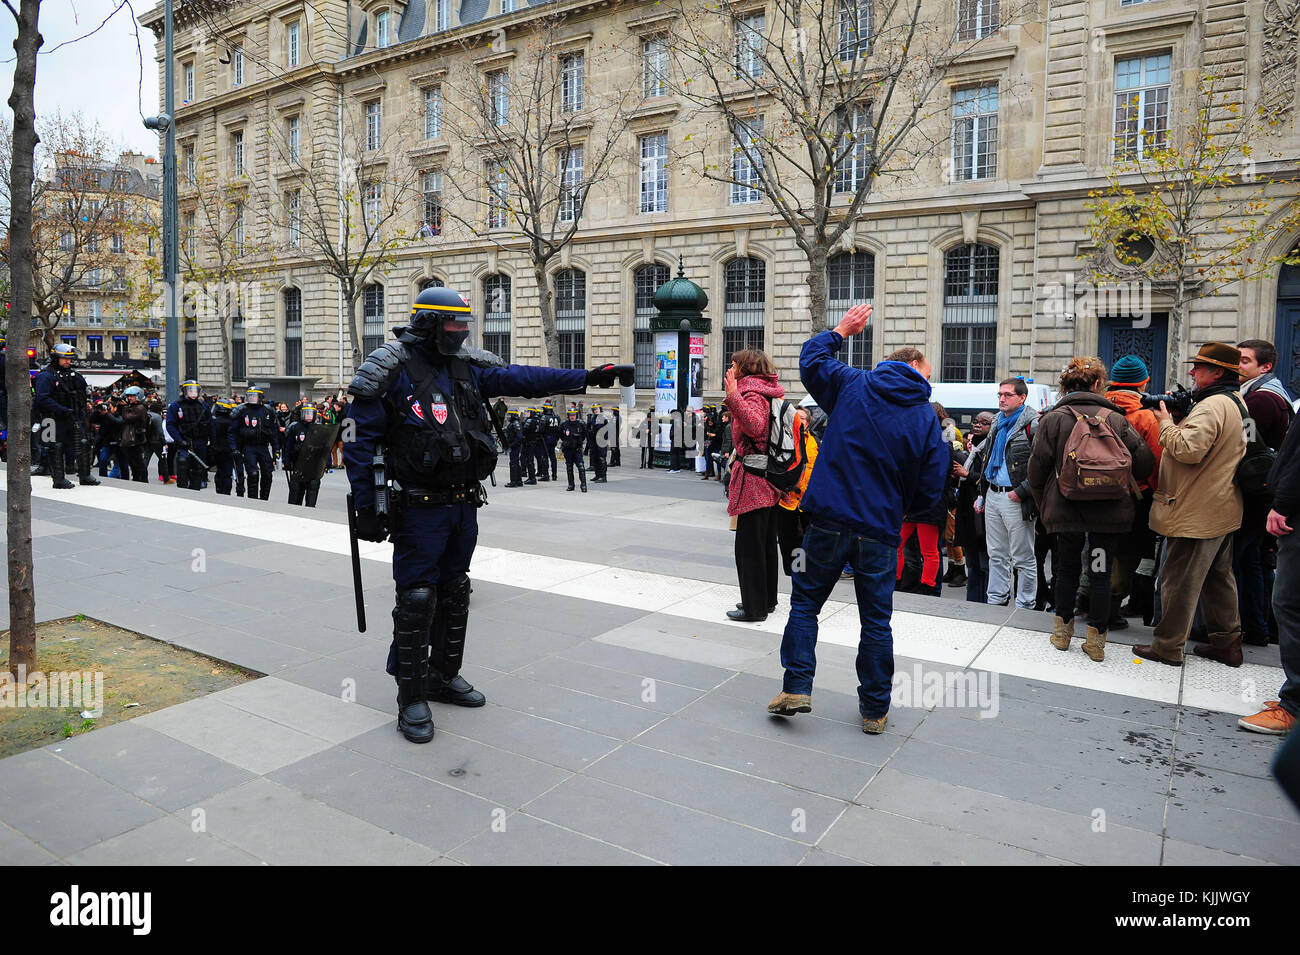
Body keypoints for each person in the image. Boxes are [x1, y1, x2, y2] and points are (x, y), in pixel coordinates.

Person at [343, 284, 624, 743]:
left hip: (463, 501)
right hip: (417, 505)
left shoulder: (467, 368)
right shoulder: (389, 367)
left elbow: (524, 378)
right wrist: (366, 504)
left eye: (464, 324)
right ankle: (410, 696)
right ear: (430, 322)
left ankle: (441, 675)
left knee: (455, 590)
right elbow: (356, 440)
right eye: (454, 324)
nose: (461, 332)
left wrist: (589, 376)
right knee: (416, 597)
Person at [770, 306, 948, 735]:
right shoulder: (926, 417)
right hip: (881, 529)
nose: (928, 382)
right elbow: (933, 482)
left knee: (805, 604)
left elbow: (812, 361)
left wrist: (841, 331)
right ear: (914, 368)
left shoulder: (853, 385)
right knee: (875, 620)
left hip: (828, 519)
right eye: (926, 374)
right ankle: (873, 710)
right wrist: (904, 509)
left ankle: (796, 686)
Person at [1028, 356, 1155, 662]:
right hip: (1108, 513)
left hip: (1067, 509)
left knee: (1067, 568)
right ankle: (1096, 642)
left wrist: (1043, 506)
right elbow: (1145, 463)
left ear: (1064, 386)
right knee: (1100, 570)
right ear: (1099, 384)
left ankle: (1062, 634)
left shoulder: (1053, 419)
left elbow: (1036, 470)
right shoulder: (1116, 419)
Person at [1134, 342, 1247, 667]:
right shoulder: (1232, 401)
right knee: (1218, 577)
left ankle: (1168, 647)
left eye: (1199, 367)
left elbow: (1188, 450)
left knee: (1178, 580)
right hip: (1220, 506)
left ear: (1217, 372)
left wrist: (1166, 422)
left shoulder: (1212, 406)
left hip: (1196, 511)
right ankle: (1228, 643)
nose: (1192, 372)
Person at [1240, 410, 1300, 734]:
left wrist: (1283, 504)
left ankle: (1294, 705)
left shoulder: (1263, 399)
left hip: (1294, 511)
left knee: (1290, 604)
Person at [1235, 339, 1293, 646]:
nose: (1238, 365)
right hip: (1265, 491)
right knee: (1255, 560)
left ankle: (1253, 625)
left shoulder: (1259, 401)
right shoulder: (1273, 394)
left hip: (1256, 493)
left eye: (1245, 361)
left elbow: (1247, 444)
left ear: (1265, 366)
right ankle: (1260, 626)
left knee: (1247, 560)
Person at [724, 349, 785, 622]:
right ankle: (765, 600)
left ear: (744, 368)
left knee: (748, 547)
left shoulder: (752, 394)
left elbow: (754, 425)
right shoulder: (768, 391)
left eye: (734, 364)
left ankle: (754, 608)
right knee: (765, 545)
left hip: (754, 479)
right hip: (768, 478)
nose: (731, 368)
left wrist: (733, 395)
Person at [1103, 355, 1163, 628]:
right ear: (1143, 383)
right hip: (1133, 497)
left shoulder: (1097, 410)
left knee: (1097, 548)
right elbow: (1156, 462)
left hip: (1093, 493)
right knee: (1126, 554)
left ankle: (1086, 598)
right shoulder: (1146, 416)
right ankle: (1111, 607)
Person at [977, 377, 1039, 609]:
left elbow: (1043, 465)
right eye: (1000, 395)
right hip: (993, 493)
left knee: (1023, 556)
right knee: (996, 554)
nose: (1002, 399)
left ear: (1022, 398)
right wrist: (983, 492)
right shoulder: (996, 421)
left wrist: (1022, 491)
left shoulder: (1033, 424)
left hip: (1015, 497)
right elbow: (987, 459)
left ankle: (1025, 605)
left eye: (1007, 395)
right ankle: (996, 600)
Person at [32, 343, 100, 489]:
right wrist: (62, 409)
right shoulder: (46, 376)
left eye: (69, 359)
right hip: (51, 418)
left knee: (82, 443)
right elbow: (42, 399)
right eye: (64, 358)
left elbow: (82, 393)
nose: (68, 361)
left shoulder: (74, 375)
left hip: (73, 417)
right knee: (55, 447)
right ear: (56, 358)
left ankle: (85, 476)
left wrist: (81, 411)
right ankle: (58, 480)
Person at [953, 411, 993, 602]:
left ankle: (986, 601)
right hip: (968, 513)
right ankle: (973, 602)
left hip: (983, 515)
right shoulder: (974, 449)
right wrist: (959, 477)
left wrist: (967, 475)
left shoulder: (991, 447)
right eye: (976, 422)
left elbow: (990, 480)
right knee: (972, 564)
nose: (978, 425)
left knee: (984, 564)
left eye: (984, 423)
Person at [776, 406, 818, 576]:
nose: (797, 420)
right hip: (787, 501)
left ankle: (800, 572)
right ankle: (793, 571)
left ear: (807, 423)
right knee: (787, 541)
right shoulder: (784, 440)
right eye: (795, 417)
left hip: (808, 501)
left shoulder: (816, 441)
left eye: (801, 418)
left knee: (806, 541)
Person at [230, 387, 279, 500]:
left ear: (260, 397)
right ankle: (253, 500)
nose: (252, 398)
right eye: (250, 395)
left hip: (263, 447)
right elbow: (233, 431)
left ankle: (264, 499)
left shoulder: (268, 411)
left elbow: (273, 432)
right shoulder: (242, 410)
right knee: (253, 474)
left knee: (267, 474)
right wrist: (234, 448)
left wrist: (276, 448)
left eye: (254, 396)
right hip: (248, 447)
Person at [164, 379, 212, 492]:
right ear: (185, 391)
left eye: (195, 390)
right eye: (190, 390)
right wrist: (179, 440)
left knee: (198, 470)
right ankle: (182, 493)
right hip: (184, 442)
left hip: (200, 442)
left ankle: (195, 491)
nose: (193, 393)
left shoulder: (203, 406)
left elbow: (211, 424)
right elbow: (170, 425)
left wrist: (212, 443)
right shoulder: (176, 406)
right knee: (182, 466)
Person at [283, 403, 333, 507]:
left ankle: (310, 511)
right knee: (296, 492)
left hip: (314, 465)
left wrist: (327, 463)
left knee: (312, 489)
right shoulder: (295, 427)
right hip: (298, 464)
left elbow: (326, 448)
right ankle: (293, 513)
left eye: (311, 414)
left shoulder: (320, 429)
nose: (309, 416)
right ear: (302, 415)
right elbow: (288, 446)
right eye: (307, 414)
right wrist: (286, 461)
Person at [117, 386, 150, 482]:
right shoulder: (132, 407)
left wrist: (124, 407)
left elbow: (127, 417)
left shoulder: (140, 408)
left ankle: (142, 481)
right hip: (131, 439)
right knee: (133, 462)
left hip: (136, 440)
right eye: (128, 396)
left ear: (138, 396)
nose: (129, 398)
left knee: (138, 463)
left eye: (132, 396)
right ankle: (137, 480)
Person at [561, 404, 588, 492]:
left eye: (574, 415)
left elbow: (584, 435)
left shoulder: (581, 424)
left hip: (577, 449)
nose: (572, 417)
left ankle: (583, 485)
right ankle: (571, 485)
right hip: (568, 449)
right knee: (569, 467)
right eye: (571, 415)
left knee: (581, 467)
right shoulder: (564, 424)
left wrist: (578, 442)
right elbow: (561, 435)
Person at [522, 408, 545, 483]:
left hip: (529, 441)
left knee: (529, 460)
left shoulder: (530, 420)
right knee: (533, 459)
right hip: (535, 440)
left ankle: (532, 478)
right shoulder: (538, 420)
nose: (527, 413)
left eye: (528, 412)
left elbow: (525, 430)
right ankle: (533, 476)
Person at [587, 403, 610, 482]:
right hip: (594, 441)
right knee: (595, 458)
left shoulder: (602, 417)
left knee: (601, 458)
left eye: (597, 409)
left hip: (601, 440)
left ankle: (603, 477)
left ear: (600, 409)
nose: (595, 410)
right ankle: (597, 475)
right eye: (594, 409)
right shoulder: (594, 418)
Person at [504, 409, 525, 487]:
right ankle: (518, 480)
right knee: (516, 463)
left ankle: (514, 481)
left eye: (510, 415)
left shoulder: (515, 423)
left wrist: (512, 444)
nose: (508, 417)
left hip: (514, 447)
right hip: (514, 446)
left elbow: (519, 436)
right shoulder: (513, 423)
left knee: (513, 463)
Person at [541, 401, 561, 481]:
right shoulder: (557, 417)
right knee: (553, 457)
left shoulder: (544, 417)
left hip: (545, 439)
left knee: (544, 457)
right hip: (554, 439)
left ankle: (546, 475)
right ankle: (554, 475)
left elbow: (541, 429)